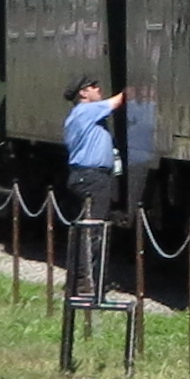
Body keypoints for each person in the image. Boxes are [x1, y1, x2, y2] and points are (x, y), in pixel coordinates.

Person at [62, 78, 126, 299]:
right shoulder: (86, 111)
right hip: (92, 177)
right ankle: (86, 284)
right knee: (93, 231)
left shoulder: (80, 115)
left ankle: (77, 281)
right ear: (83, 93)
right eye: (93, 87)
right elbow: (118, 101)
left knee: (85, 229)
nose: (99, 89)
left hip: (84, 176)